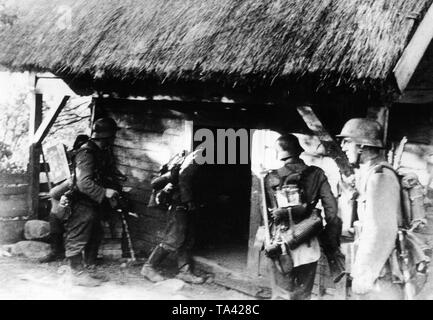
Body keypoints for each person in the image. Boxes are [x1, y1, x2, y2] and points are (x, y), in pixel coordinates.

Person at [264, 134, 341, 300]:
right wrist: (331, 244)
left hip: (281, 246)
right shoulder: (317, 174)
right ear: (298, 151)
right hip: (308, 244)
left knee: (281, 296)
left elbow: (267, 217)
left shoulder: (270, 178)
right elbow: (332, 213)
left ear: (279, 153)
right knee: (303, 296)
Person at [337, 118, 403, 299]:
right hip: (374, 271)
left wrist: (365, 275)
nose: (342, 147)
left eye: (347, 141)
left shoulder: (380, 178)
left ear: (362, 146)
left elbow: (380, 232)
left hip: (380, 276)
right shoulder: (368, 174)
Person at [63, 118, 121, 287]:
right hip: (82, 202)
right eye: (112, 136)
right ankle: (77, 274)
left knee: (95, 235)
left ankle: (90, 269)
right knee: (77, 237)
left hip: (94, 203)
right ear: (107, 136)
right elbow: (83, 183)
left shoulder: (100, 151)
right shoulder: (86, 153)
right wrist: (105, 192)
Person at [141, 149, 205, 284]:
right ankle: (148, 267)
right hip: (179, 204)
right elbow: (183, 178)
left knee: (187, 238)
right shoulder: (199, 155)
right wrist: (188, 201)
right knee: (173, 238)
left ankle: (184, 272)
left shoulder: (205, 156)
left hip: (187, 204)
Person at [48, 135, 90, 261]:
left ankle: (77, 256)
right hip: (65, 193)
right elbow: (56, 189)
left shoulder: (88, 159)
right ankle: (56, 251)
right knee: (55, 215)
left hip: (80, 197)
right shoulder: (71, 158)